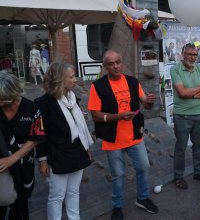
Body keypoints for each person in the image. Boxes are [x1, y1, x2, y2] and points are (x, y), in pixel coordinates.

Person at [88, 50, 158, 220]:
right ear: (105, 67)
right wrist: (118, 117)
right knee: (118, 175)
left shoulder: (133, 82)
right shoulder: (97, 86)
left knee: (143, 167)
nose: (116, 66)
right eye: (111, 64)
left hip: (134, 136)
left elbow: (145, 106)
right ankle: (117, 206)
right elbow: (95, 115)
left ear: (122, 62)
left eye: (118, 62)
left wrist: (149, 102)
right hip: (114, 139)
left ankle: (142, 198)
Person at [35, 62, 93, 220]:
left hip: (77, 152)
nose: (75, 79)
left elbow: (80, 129)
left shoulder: (74, 99)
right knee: (57, 196)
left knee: (74, 191)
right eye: (71, 77)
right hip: (57, 156)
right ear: (59, 79)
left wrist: (86, 149)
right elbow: (39, 135)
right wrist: (42, 160)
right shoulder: (42, 104)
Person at [0, 71, 45, 219]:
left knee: (20, 205)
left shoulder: (31, 108)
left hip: (23, 164)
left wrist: (13, 159)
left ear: (13, 94)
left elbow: (36, 137)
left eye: (3, 100)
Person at [170, 43, 200, 190]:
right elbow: (182, 93)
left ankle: (199, 172)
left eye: (195, 55)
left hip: (199, 114)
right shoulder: (175, 69)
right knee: (181, 147)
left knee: (199, 146)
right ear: (183, 54)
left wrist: (193, 94)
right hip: (182, 115)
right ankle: (178, 176)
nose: (192, 57)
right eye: (189, 54)